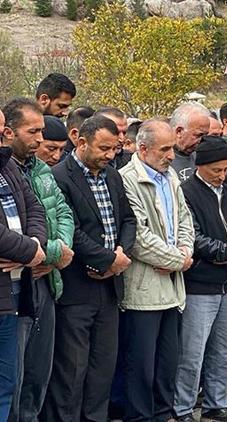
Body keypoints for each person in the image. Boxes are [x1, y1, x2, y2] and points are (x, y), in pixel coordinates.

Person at [44, 115, 136, 421]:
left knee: (102, 366)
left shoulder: (112, 176)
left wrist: (120, 254)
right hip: (76, 287)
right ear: (81, 142)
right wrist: (107, 260)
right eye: (104, 148)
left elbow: (128, 219)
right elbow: (72, 231)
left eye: (115, 148)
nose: (111, 155)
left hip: (109, 288)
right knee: (72, 369)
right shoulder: (59, 176)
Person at [117, 119, 195, 421]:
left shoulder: (170, 176)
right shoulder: (126, 179)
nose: (171, 155)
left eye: (172, 149)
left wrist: (185, 253)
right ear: (143, 148)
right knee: (141, 365)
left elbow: (185, 220)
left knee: (167, 363)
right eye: (164, 149)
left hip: (173, 286)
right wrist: (177, 260)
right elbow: (138, 236)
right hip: (143, 288)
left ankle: (164, 414)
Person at [2, 99, 72, 422]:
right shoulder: (10, 166)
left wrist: (46, 252)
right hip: (10, 289)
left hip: (41, 280)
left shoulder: (34, 171)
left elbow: (49, 214)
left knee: (35, 373)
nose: (40, 140)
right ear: (10, 132)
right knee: (9, 381)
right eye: (33, 131)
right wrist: (33, 253)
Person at [176, 137, 227, 422]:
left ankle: (216, 403)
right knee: (192, 353)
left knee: (225, 349)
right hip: (201, 284)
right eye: (216, 170)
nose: (221, 176)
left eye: (226, 170)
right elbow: (192, 236)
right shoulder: (185, 192)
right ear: (201, 166)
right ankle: (183, 407)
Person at [0, 106, 48, 422]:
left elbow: (35, 208)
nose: (3, 134)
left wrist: (34, 246)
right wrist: (28, 252)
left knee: (6, 384)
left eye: (2, 126)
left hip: (16, 291)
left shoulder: (7, 166)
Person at [170, 102, 210, 181]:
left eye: (206, 135)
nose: (202, 140)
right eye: (199, 135)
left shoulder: (202, 155)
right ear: (179, 131)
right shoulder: (162, 159)